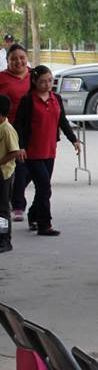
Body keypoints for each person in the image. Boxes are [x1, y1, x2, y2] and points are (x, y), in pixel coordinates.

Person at [12, 65, 80, 236]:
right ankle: (44, 224)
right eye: (43, 82)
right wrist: (20, 146)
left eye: (50, 81)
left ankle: (33, 215)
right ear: (34, 81)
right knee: (44, 188)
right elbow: (19, 125)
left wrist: (74, 139)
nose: (47, 84)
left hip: (50, 150)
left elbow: (62, 121)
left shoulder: (56, 98)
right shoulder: (28, 100)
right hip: (32, 152)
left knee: (42, 188)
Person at [0, 44, 31, 223]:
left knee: (33, 167)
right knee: (18, 167)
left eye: (22, 57)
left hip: (33, 129)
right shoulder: (2, 78)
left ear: (27, 59)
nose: (18, 61)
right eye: (13, 59)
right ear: (7, 61)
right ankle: (18, 204)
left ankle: (13, 196)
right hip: (9, 130)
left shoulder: (35, 75)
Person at [0, 94, 18, 252]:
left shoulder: (7, 129)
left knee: (3, 210)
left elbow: (14, 152)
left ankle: (5, 239)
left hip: (4, 174)